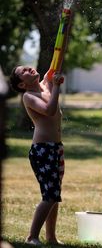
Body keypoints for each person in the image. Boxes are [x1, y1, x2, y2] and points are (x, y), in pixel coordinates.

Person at [10, 66, 65, 245]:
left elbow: (56, 62)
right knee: (50, 194)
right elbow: (49, 110)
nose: (30, 68)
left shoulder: (45, 85)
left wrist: (64, 37)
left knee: (55, 194)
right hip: (43, 150)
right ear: (22, 83)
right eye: (24, 70)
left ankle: (51, 237)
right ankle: (32, 236)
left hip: (56, 147)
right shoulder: (28, 96)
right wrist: (56, 86)